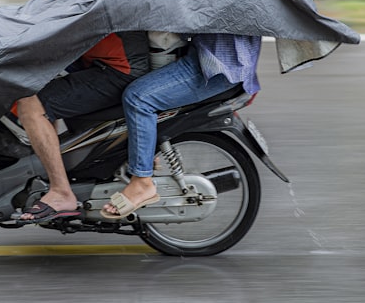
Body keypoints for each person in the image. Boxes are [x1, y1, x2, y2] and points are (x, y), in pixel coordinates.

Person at [16, 0, 151, 224]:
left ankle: (61, 192)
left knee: (31, 103)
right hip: (99, 58)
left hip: (118, 69)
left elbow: (83, 17)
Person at [100, 33, 262, 219]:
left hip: (215, 66)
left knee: (138, 99)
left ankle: (142, 181)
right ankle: (142, 152)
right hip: (224, 59)